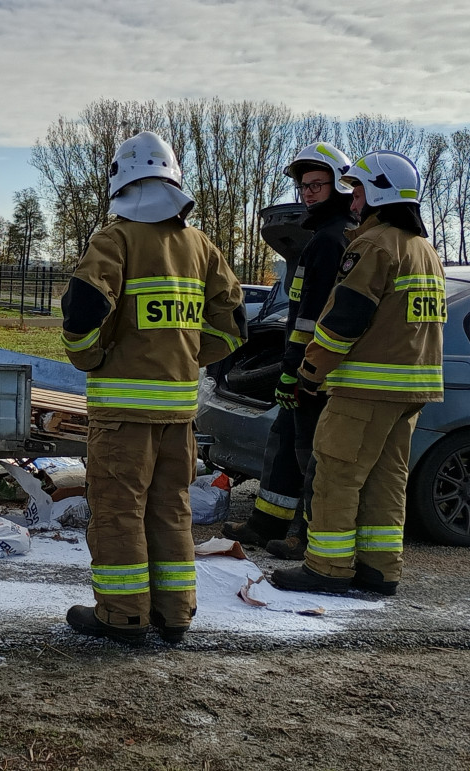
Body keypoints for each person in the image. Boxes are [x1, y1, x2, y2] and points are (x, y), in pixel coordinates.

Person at [60, 132, 247, 645]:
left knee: (119, 513)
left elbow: (82, 311)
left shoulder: (115, 240)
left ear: (121, 181)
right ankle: (175, 613)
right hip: (179, 416)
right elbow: (233, 324)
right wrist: (188, 356)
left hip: (122, 417)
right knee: (171, 510)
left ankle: (122, 615)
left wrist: (91, 357)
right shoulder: (200, 245)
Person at [272, 150, 445, 596]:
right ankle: (379, 569)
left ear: (380, 194)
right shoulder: (424, 250)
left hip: (365, 389)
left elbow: (343, 320)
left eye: (358, 192)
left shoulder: (373, 245)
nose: (352, 202)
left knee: (335, 475)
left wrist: (309, 371)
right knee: (386, 480)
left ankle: (327, 568)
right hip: (412, 390)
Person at [223, 143, 356, 559]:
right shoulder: (319, 237)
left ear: (339, 186)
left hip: (317, 370)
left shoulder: (332, 240)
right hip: (303, 363)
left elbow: (312, 319)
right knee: (283, 443)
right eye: (304, 186)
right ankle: (266, 523)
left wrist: (295, 370)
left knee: (309, 453)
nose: (308, 193)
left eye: (317, 184)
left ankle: (305, 533)